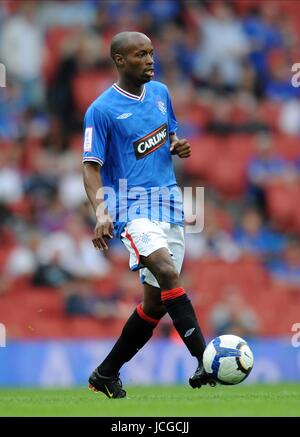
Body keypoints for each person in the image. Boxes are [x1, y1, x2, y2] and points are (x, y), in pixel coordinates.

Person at [82, 31, 215, 399]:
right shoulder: (102, 110)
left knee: (155, 305)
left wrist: (177, 144)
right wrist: (100, 211)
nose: (150, 60)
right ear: (120, 60)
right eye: (141, 54)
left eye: (152, 53)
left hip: (169, 204)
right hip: (131, 207)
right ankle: (206, 359)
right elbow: (90, 168)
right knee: (166, 269)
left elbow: (168, 135)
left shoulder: (161, 94)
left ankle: (105, 373)